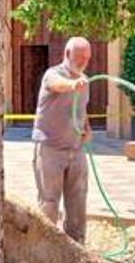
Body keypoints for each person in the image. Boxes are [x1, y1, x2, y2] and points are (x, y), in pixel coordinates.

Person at [31, 37, 93, 243]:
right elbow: (58, 85)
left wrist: (87, 128)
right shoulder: (53, 74)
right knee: (49, 202)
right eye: (79, 57)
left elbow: (81, 109)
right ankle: (47, 249)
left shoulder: (84, 80)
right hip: (50, 149)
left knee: (78, 200)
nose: (83, 61)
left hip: (76, 150)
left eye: (87, 58)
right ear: (67, 55)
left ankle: (77, 248)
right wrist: (73, 84)